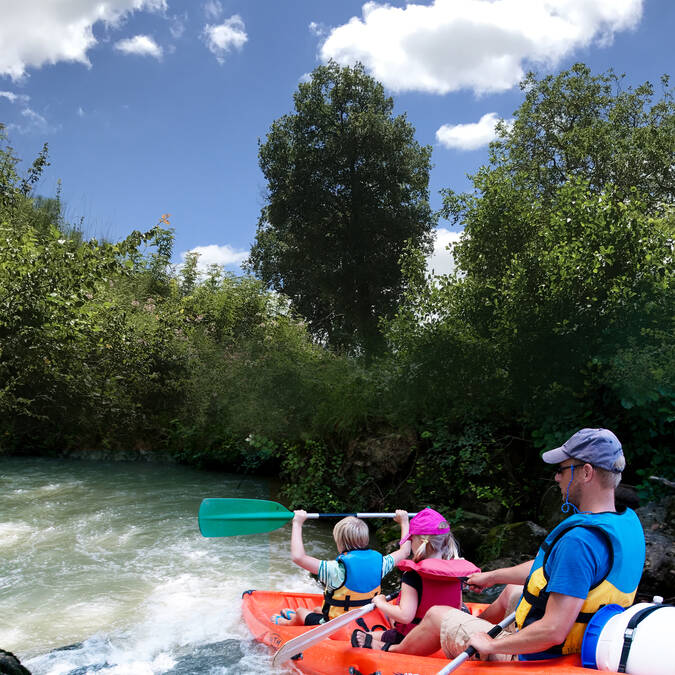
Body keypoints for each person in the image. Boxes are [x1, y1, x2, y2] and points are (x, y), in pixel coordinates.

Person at [360, 428, 645, 662]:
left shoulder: (580, 541)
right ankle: (467, 626)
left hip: (540, 654)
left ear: (586, 472)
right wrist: (493, 576)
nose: (557, 477)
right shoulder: (623, 524)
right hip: (583, 639)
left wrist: (490, 645)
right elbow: (552, 569)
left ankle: (393, 651)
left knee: (435, 615)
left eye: (562, 470)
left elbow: (554, 630)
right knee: (512, 591)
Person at [350, 507, 480, 651]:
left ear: (417, 543)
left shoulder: (412, 575)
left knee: (364, 634)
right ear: (445, 542)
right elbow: (458, 606)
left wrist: (380, 602)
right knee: (394, 617)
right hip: (443, 638)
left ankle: (381, 645)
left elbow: (405, 616)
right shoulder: (455, 574)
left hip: (412, 638)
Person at [272, 509, 411, 626]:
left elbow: (298, 557)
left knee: (300, 612)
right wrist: (404, 521)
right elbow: (405, 551)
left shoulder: (336, 569)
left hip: (337, 625)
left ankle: (288, 624)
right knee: (316, 609)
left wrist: (297, 523)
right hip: (364, 617)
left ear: (340, 542)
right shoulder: (382, 563)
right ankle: (310, 616)